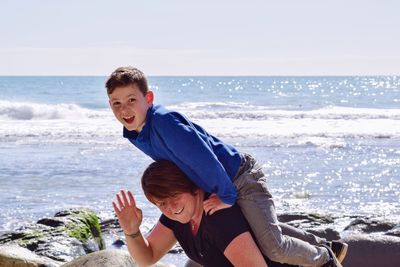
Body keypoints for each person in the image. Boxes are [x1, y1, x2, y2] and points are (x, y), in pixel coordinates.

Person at [106, 66, 347, 267]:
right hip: (215, 181)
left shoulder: (165, 122)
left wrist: (227, 195)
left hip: (238, 178)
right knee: (258, 225)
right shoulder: (135, 132)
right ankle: (323, 243)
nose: (124, 109)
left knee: (273, 247)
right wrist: (133, 229)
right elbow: (174, 165)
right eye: (116, 103)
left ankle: (325, 258)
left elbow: (204, 158)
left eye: (131, 100)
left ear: (148, 98)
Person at [113, 160, 297, 267]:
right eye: (161, 203)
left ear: (194, 187)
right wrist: (132, 231)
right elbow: (148, 256)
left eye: (174, 196)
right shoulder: (177, 216)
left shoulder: (219, 219)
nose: (170, 207)